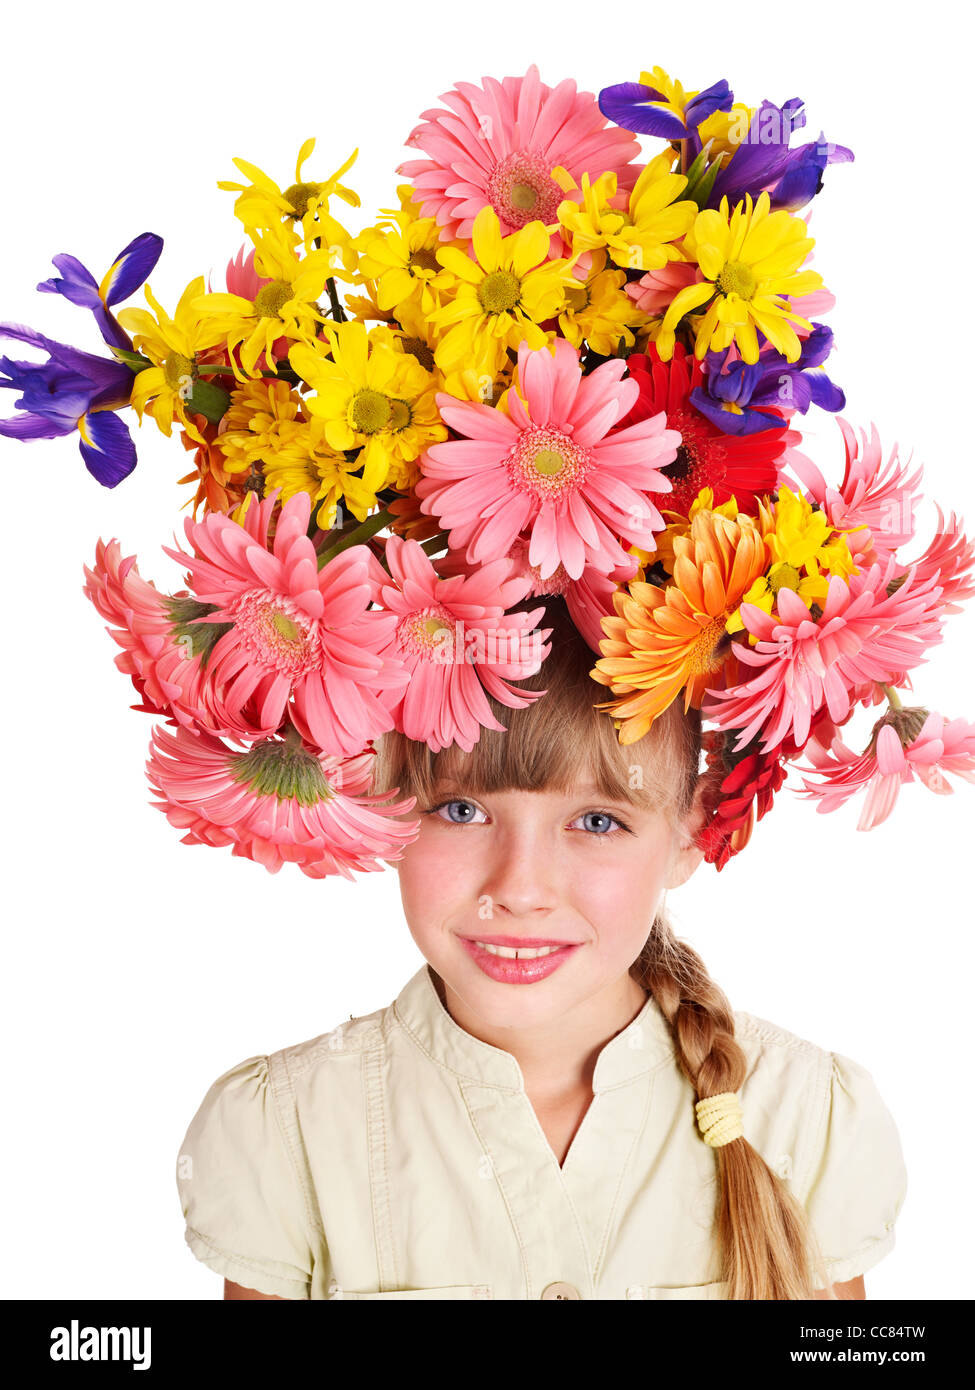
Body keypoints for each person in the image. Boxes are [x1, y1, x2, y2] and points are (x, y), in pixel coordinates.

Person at [175, 595, 907, 1300]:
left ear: (690, 829)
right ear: (379, 801)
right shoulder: (286, 1128)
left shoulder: (806, 1118)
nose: (519, 890)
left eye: (595, 822)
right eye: (460, 811)